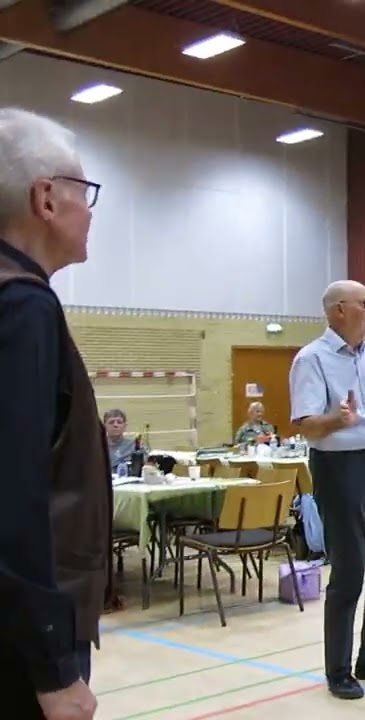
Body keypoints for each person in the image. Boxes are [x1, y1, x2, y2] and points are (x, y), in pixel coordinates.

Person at [0, 108, 111, 720]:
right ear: (46, 198)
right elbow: (13, 500)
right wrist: (52, 665)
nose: (90, 210)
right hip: (20, 639)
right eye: (84, 192)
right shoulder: (23, 308)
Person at [289, 280, 365, 700]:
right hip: (339, 467)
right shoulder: (312, 359)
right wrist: (333, 419)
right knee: (349, 570)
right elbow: (306, 424)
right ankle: (338, 669)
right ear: (338, 310)